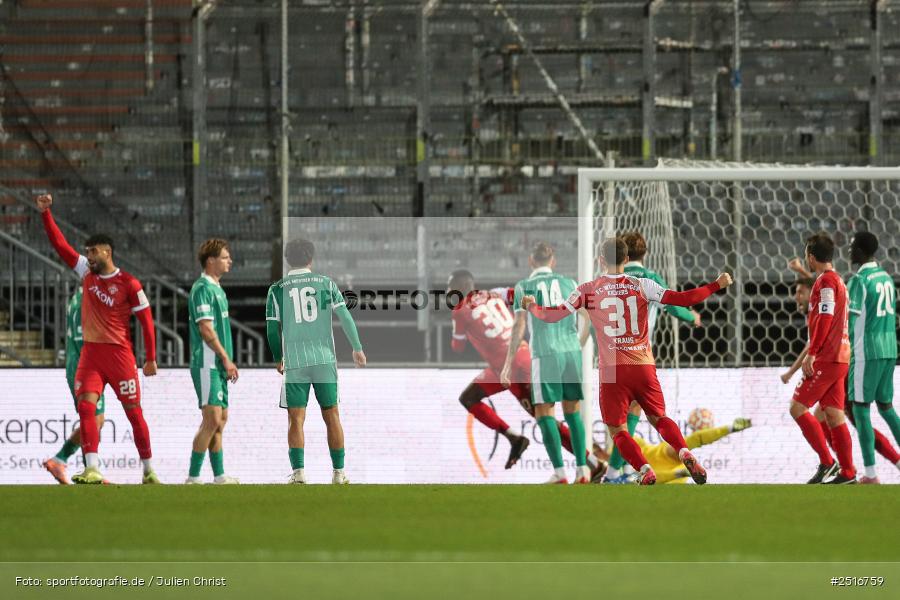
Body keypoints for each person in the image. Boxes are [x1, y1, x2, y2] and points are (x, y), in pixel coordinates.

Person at [524, 237, 732, 485]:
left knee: (618, 429)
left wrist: (532, 306)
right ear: (625, 259)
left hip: (612, 370)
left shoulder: (587, 290)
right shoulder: (642, 284)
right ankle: (684, 451)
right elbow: (684, 300)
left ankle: (644, 469)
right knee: (659, 418)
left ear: (601, 260)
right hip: (643, 365)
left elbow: (553, 316)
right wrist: (716, 285)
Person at [36, 193, 159, 484]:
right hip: (91, 357)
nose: (88, 256)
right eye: (87, 252)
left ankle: (149, 470)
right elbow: (60, 246)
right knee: (87, 408)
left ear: (107, 252)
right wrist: (45, 214)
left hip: (120, 357)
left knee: (134, 413)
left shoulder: (129, 283)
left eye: (93, 252)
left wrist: (151, 357)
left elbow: (146, 320)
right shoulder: (86, 274)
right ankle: (92, 467)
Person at [449, 269, 605, 479]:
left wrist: (463, 328)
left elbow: (457, 347)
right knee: (468, 397)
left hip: (514, 368)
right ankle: (514, 438)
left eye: (450, 287)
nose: (449, 291)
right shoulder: (494, 295)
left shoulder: (460, 310)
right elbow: (522, 294)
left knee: (545, 418)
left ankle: (592, 463)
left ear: (458, 287)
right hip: (509, 363)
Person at [604, 231, 703, 483]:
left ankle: (621, 470)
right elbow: (672, 306)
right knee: (645, 413)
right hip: (641, 354)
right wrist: (693, 317)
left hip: (613, 355)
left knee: (619, 422)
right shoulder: (649, 279)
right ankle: (619, 471)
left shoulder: (607, 279)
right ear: (644, 253)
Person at [265, 238, 365, 484]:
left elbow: (271, 328)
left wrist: (278, 357)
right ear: (311, 259)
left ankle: (299, 473)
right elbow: (344, 316)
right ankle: (339, 473)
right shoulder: (325, 283)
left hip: (296, 362)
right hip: (324, 360)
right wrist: (357, 348)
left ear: (288, 260)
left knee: (295, 419)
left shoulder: (277, 289)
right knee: (332, 416)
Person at [500, 241, 590, 484]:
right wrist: (579, 343)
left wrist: (508, 363)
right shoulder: (570, 283)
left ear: (531, 261)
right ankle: (583, 470)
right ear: (553, 261)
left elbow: (519, 325)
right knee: (573, 411)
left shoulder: (524, 286)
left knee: (544, 411)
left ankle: (560, 472)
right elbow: (588, 316)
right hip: (571, 352)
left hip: (545, 352)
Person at [789, 233, 856, 484]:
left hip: (827, 357)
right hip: (841, 356)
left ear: (810, 256)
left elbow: (826, 317)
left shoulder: (826, 283)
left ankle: (828, 462)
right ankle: (848, 472)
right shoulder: (837, 280)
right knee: (834, 414)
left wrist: (813, 353)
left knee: (797, 407)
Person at [846, 232, 900, 483]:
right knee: (887, 407)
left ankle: (870, 474)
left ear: (860, 251)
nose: (849, 250)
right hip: (890, 348)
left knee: (860, 408)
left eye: (852, 247)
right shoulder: (887, 278)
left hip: (867, 351)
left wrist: (845, 348)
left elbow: (851, 318)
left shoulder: (859, 280)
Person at [186, 239, 240, 484]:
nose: (229, 261)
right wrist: (226, 358)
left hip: (218, 363)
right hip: (207, 362)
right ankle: (193, 477)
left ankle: (219, 476)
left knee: (221, 420)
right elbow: (206, 330)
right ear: (211, 261)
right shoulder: (202, 289)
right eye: (225, 257)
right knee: (212, 419)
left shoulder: (218, 289)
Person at [41, 286, 108, 484]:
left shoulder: (79, 297)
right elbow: (85, 340)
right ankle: (79, 465)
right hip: (85, 366)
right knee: (94, 420)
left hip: (80, 364)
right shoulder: (87, 301)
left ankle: (73, 463)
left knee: (97, 420)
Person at [595, 418, 753, 484]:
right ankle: (682, 456)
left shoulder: (633, 443)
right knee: (683, 447)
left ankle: (620, 471)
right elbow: (697, 438)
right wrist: (729, 428)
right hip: (665, 465)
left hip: (649, 459)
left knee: (623, 440)